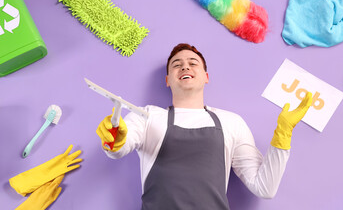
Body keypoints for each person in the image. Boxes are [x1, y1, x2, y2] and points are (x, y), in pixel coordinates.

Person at [96, 43, 312, 209]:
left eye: (193, 62)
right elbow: (119, 148)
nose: (185, 66)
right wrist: (113, 140)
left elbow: (264, 187)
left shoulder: (231, 122)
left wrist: (283, 132)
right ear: (168, 80)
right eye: (177, 65)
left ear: (206, 77)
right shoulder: (148, 116)